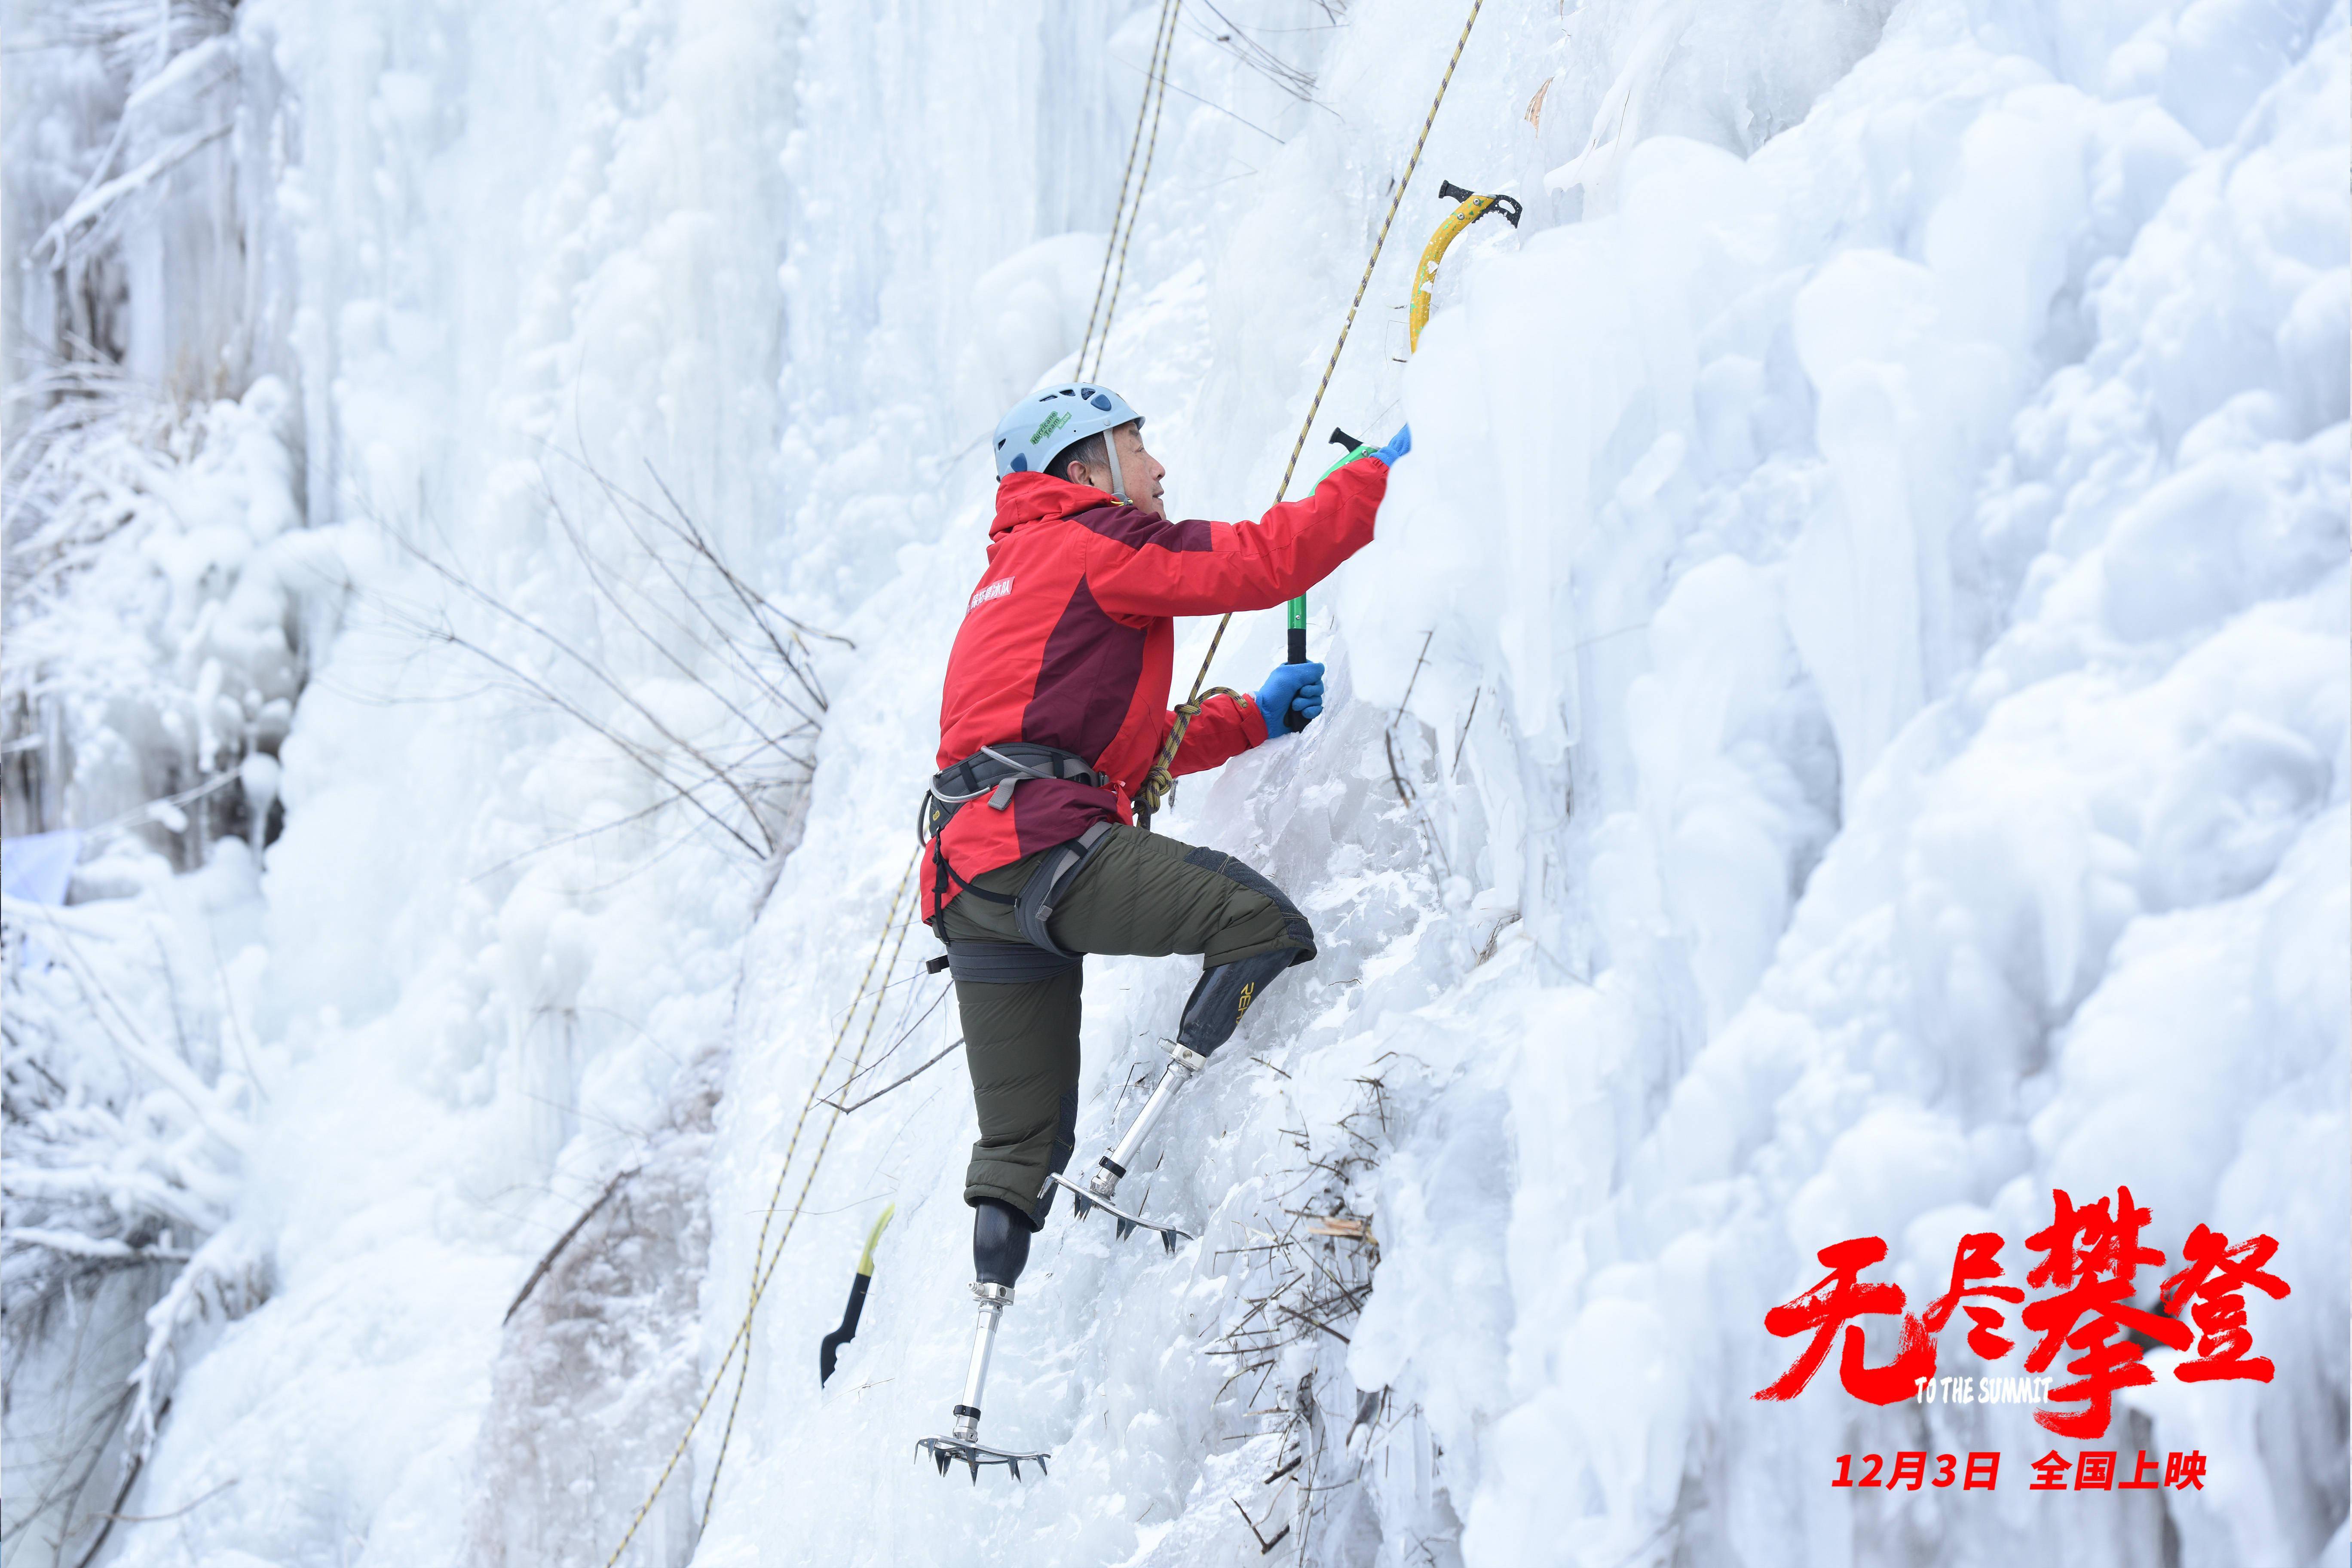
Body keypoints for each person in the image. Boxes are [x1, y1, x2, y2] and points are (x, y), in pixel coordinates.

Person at [913, 381, 1407, 1472]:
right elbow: (1262, 564)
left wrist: (1254, 716)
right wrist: (1376, 476)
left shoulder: (1010, 574)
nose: (1160, 466)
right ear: (1084, 466)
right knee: (1259, 922)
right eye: (1139, 444)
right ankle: (1129, 1159)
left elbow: (1102, 752)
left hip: (970, 880)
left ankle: (971, 1402)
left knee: (1015, 1149)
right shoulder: (1095, 540)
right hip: (1046, 853)